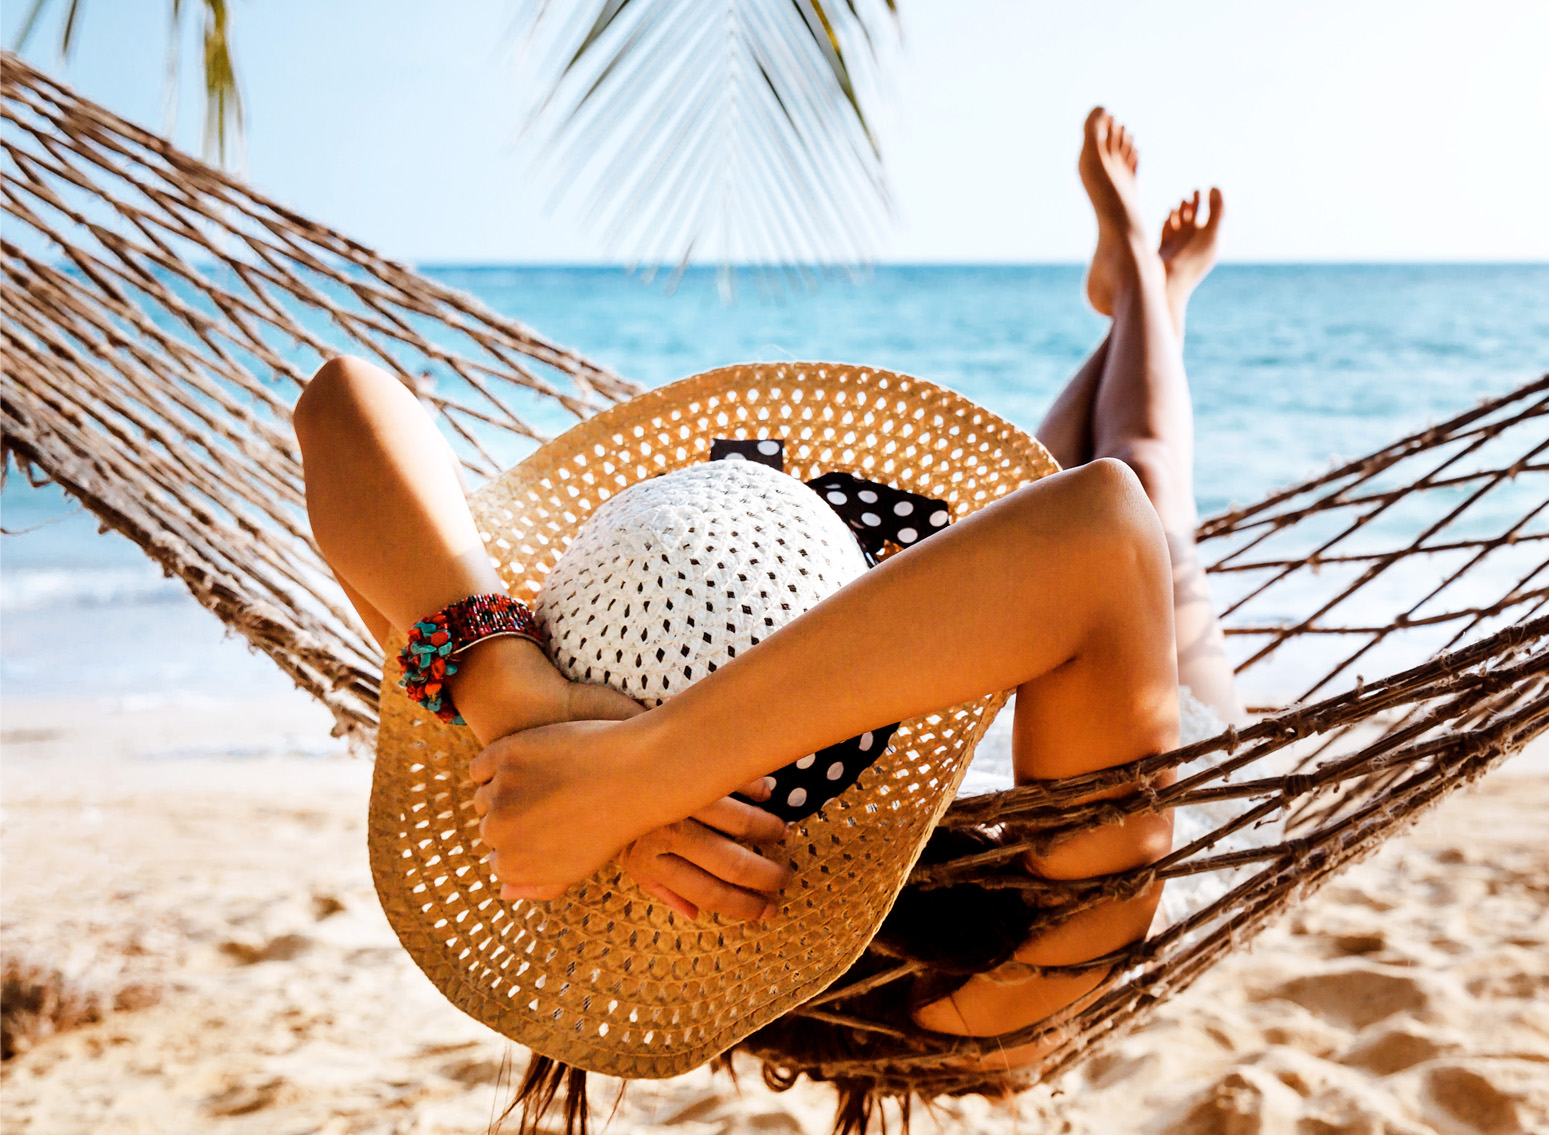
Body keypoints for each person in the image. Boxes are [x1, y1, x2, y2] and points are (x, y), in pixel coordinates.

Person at [293, 107, 1236, 1043]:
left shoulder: (522, 787)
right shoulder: (1004, 968)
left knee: (1056, 479)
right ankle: (1153, 286)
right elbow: (1108, 528)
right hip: (1122, 724)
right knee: (1150, 476)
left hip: (951, 636)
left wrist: (523, 705)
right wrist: (631, 777)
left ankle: (1141, 288)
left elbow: (339, 403)